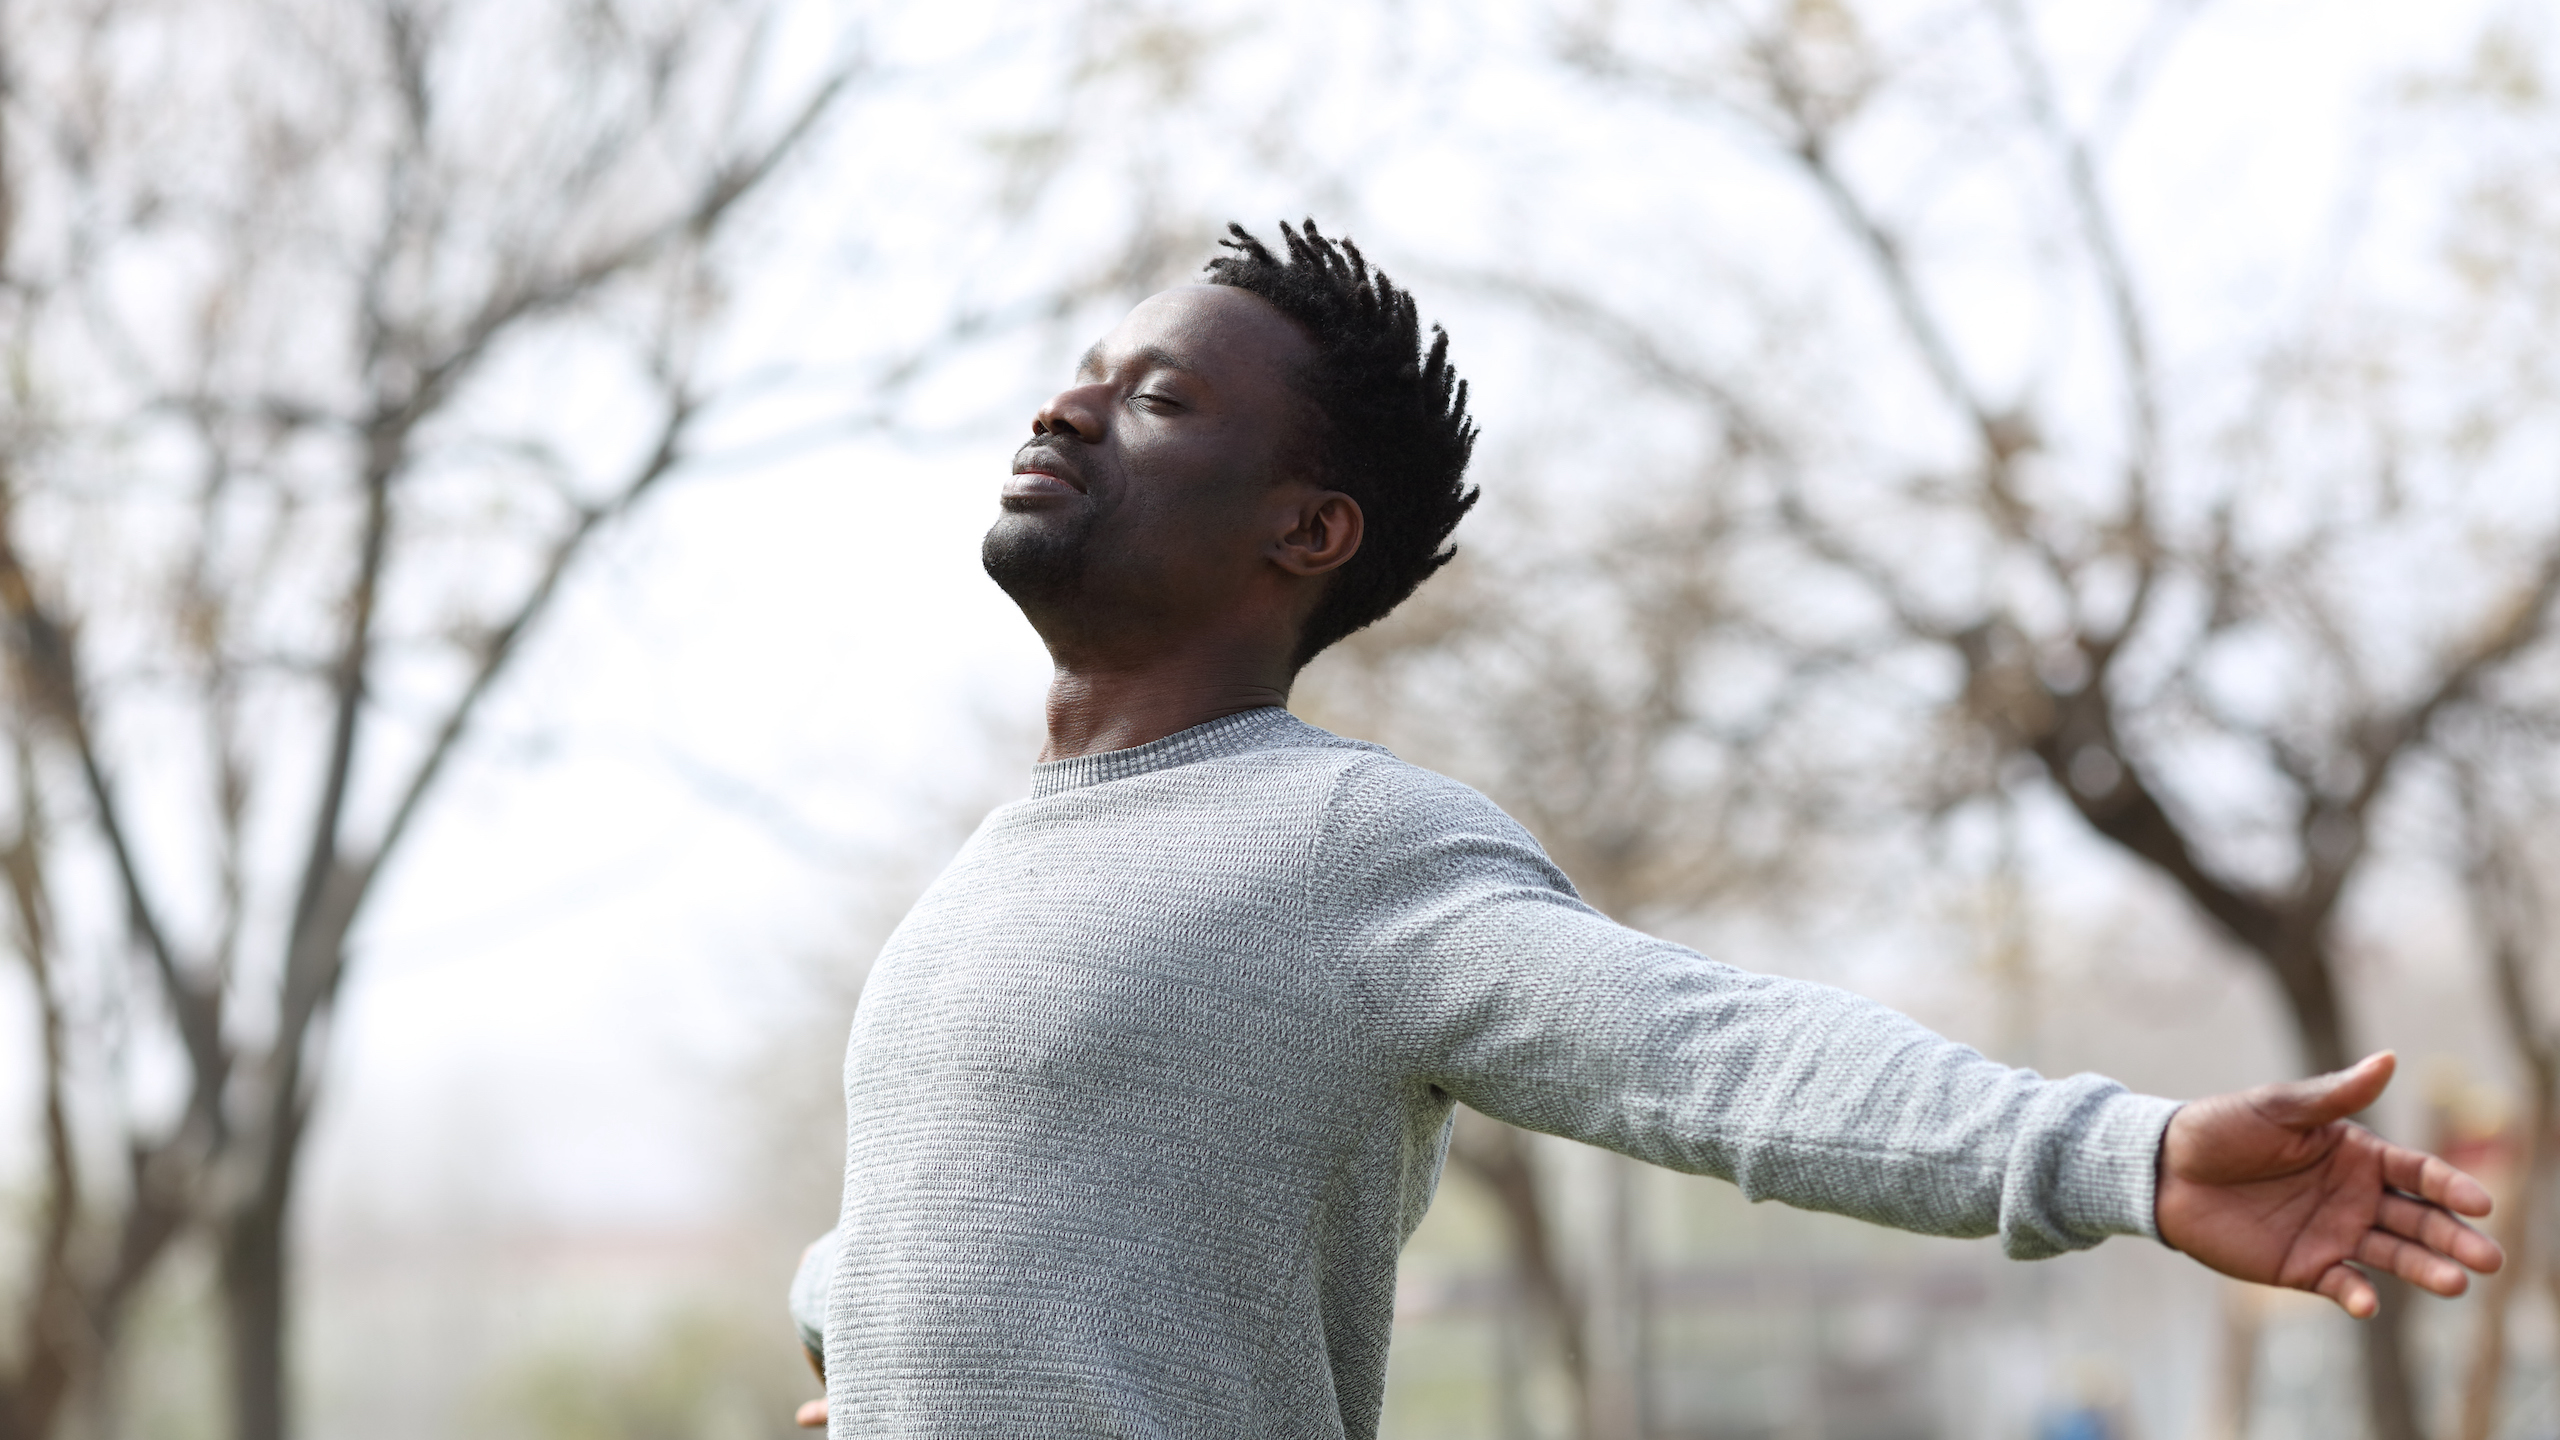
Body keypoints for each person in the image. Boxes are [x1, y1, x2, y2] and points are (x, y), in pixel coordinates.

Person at [788, 221, 2502, 1437]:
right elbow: (954, 1240)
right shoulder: (989, 873)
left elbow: (1717, 1057)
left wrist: (2114, 1151)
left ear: (1308, 532)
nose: (1065, 409)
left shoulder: (1336, 847)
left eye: (1156, 399)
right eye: (1083, 378)